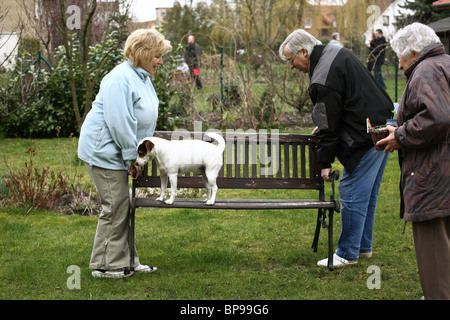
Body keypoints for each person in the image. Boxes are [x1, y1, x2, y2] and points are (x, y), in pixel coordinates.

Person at [279, 29, 394, 268]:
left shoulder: (321, 78)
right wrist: (323, 127)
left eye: (291, 60)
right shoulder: (334, 50)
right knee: (367, 195)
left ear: (304, 52)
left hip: (365, 136)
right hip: (383, 126)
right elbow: (341, 105)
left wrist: (324, 164)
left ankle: (348, 253)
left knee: (351, 190)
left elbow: (329, 124)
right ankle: (363, 247)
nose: (291, 66)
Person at [78, 29, 172, 278]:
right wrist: (133, 157)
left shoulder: (141, 78)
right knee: (116, 206)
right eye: (158, 56)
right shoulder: (120, 78)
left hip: (120, 151)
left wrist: (138, 155)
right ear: (143, 53)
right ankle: (105, 266)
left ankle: (127, 260)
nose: (161, 61)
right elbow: (120, 123)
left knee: (123, 206)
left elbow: (142, 121)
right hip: (104, 152)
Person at [377, 23, 450, 300]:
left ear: (415, 52)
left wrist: (402, 136)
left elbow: (437, 118)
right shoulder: (445, 63)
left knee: (433, 251)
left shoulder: (426, 70)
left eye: (400, 57)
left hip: (433, 178)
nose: (399, 65)